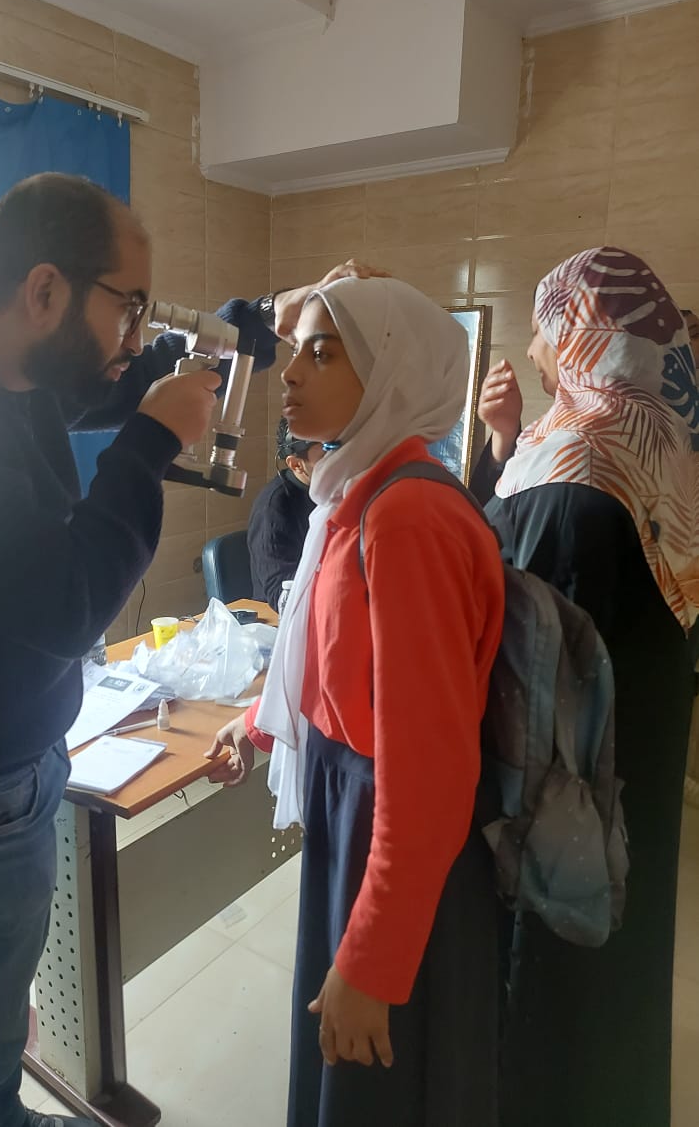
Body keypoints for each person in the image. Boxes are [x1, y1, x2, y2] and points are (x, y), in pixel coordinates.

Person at [0, 172, 360, 1127]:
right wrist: (150, 441)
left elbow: (108, 379)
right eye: (129, 307)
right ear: (44, 290)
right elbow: (67, 601)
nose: (135, 337)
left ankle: (0, 1111)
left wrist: (241, 324)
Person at [207, 276, 506, 1126]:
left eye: (324, 352)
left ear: (391, 374)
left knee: (378, 1075)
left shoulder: (405, 514)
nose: (291, 372)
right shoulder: (355, 489)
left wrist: (374, 959)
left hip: (390, 823)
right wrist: (260, 724)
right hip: (353, 802)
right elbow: (333, 657)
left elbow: (430, 766)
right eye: (295, 349)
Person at [474, 247, 699, 1127]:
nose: (534, 349)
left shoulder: (572, 470)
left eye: (543, 328)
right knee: (623, 949)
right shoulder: (664, 450)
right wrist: (505, 444)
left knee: (554, 976)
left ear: (579, 331)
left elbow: (505, 613)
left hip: (563, 792)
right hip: (637, 765)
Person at [247, 417, 323, 611]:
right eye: (326, 453)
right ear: (296, 464)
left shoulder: (333, 493)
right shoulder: (274, 508)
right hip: (279, 618)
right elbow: (281, 594)